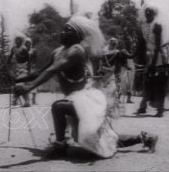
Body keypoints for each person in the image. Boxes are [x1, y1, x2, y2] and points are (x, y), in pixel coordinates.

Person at [15, 16, 158, 158]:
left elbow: (52, 70)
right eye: (63, 29)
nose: (62, 32)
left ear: (78, 35)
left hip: (85, 100)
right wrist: (20, 79)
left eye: (67, 30)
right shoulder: (58, 52)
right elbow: (41, 71)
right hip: (74, 101)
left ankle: (60, 146)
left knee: (58, 107)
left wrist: (28, 88)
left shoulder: (76, 51)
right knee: (100, 139)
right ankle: (145, 138)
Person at [136, 4, 169, 117]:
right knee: (147, 81)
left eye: (150, 12)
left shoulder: (157, 25)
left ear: (154, 14)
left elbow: (158, 45)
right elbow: (142, 44)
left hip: (159, 54)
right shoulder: (143, 25)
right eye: (146, 11)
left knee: (159, 82)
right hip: (150, 54)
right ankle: (143, 106)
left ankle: (160, 109)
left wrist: (153, 64)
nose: (148, 13)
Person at [8, 35, 30, 107]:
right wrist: (7, 64)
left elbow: (28, 60)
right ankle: (15, 99)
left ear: (21, 41)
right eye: (17, 39)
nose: (18, 41)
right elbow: (9, 57)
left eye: (19, 40)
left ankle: (27, 100)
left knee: (20, 84)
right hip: (16, 68)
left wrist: (29, 71)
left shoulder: (24, 49)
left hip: (24, 68)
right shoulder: (13, 48)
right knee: (16, 84)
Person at [24, 37, 38, 105]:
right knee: (26, 84)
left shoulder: (34, 50)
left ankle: (34, 99)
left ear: (31, 43)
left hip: (32, 68)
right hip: (25, 68)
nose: (27, 44)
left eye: (28, 43)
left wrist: (34, 66)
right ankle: (27, 99)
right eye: (26, 43)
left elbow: (35, 60)